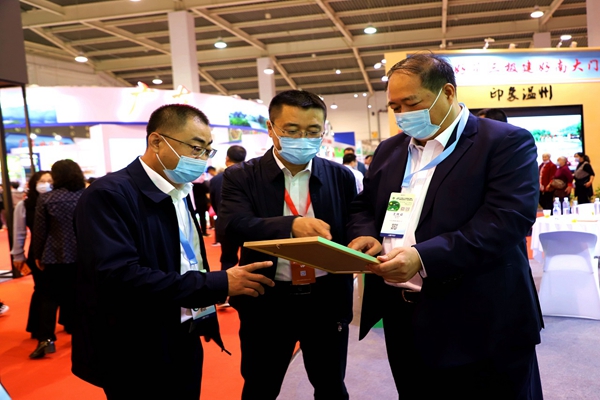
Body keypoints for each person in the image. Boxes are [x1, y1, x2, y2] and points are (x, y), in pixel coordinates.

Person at [347, 53, 543, 399]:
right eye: (395, 107)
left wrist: (423, 257)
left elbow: (506, 219)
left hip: (481, 316)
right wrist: (365, 234)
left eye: (412, 103)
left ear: (448, 93)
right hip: (404, 316)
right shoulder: (390, 150)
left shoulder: (503, 142)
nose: (403, 114)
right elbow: (364, 205)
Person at [72, 104, 274, 399]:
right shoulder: (109, 195)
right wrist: (217, 283)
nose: (201, 159)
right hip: (134, 344)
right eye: (196, 148)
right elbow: (118, 276)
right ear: (156, 141)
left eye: (207, 150)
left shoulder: (178, 190)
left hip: (183, 327)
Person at [219, 90, 357, 400]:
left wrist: (366, 237)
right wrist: (290, 225)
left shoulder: (340, 176)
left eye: (312, 131)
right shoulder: (241, 176)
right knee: (260, 387)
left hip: (326, 300)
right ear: (271, 128)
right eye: (292, 130)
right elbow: (233, 224)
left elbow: (355, 221)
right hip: (268, 299)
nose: (303, 139)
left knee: (331, 386)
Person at [30, 160, 86, 359]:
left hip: (54, 255)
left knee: (49, 298)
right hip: (83, 255)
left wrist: (38, 255)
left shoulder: (47, 199)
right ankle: (84, 336)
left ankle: (46, 339)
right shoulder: (86, 196)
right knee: (82, 295)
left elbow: (39, 231)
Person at [11, 171, 53, 339]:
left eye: (50, 181)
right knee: (41, 290)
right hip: (37, 253)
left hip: (62, 252)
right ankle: (38, 327)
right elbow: (19, 232)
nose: (46, 184)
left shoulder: (58, 201)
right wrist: (18, 255)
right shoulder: (24, 205)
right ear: (34, 183)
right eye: (42, 181)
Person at [209, 145, 247, 269]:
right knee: (250, 260)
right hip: (249, 224)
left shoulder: (216, 179)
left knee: (227, 260)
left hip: (225, 224)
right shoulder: (251, 177)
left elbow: (214, 202)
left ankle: (227, 281)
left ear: (227, 158)